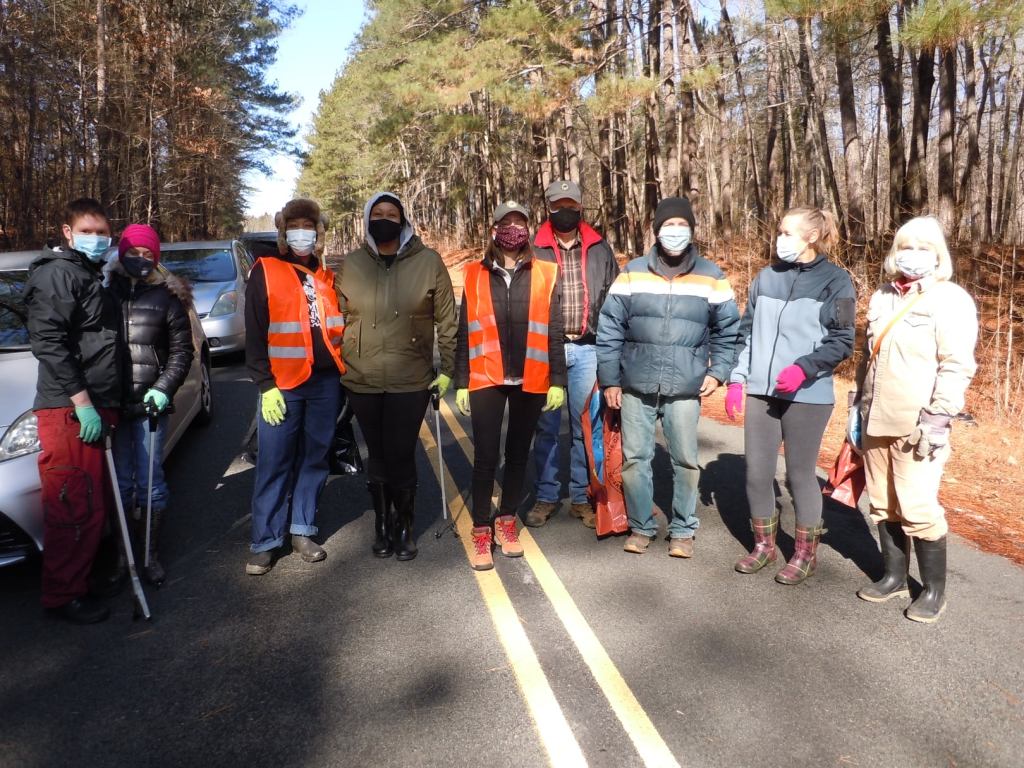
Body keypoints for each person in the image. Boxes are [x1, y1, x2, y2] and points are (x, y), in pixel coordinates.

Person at [597, 197, 740, 557]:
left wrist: (719, 371)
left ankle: (683, 529)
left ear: (692, 230)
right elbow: (610, 328)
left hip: (685, 386)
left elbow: (728, 330)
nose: (675, 232)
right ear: (656, 231)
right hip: (636, 384)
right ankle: (640, 526)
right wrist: (610, 379)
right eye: (668, 226)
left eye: (682, 225)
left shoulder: (711, 276)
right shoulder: (632, 273)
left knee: (686, 461)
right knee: (635, 460)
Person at [851, 216, 977, 623]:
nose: (914, 255)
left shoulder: (951, 300)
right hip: (874, 418)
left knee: (918, 507)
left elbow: (957, 365)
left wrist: (939, 417)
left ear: (938, 254)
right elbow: (866, 359)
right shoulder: (882, 296)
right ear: (895, 252)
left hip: (918, 424)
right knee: (883, 503)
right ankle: (894, 577)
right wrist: (855, 406)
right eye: (907, 246)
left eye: (924, 247)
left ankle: (934, 591)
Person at [726, 207, 856, 584]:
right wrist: (737, 380)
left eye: (787, 233)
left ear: (811, 237)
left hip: (808, 394)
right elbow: (746, 333)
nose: (779, 239)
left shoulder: (838, 281)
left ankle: (804, 553)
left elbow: (843, 340)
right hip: (762, 392)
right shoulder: (766, 278)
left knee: (800, 475)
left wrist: (803, 368)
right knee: (757, 473)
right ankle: (764, 546)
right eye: (779, 231)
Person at [338, 192, 457, 561]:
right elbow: (335, 320)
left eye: (392, 214)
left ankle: (404, 526)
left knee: (402, 452)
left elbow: (447, 320)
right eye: (378, 213)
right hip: (362, 377)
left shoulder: (428, 261)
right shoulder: (352, 264)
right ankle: (381, 524)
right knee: (377, 453)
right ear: (367, 219)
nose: (384, 219)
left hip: (411, 377)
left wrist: (448, 369)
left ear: (403, 221)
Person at [24, 198, 123, 623]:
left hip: (95, 404)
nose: (96, 239)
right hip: (68, 411)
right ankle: (63, 595)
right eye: (87, 232)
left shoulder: (87, 272)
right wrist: (82, 404)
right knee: (72, 506)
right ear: (67, 233)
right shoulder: (58, 274)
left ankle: (80, 580)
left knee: (90, 504)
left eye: (102, 233)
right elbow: (48, 343)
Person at [453, 201, 566, 571]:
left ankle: (506, 522)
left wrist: (558, 380)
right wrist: (462, 380)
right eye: (506, 223)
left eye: (520, 223)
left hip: (530, 377)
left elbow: (553, 330)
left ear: (528, 230)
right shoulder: (474, 273)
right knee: (486, 457)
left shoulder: (545, 272)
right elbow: (464, 331)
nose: (513, 229)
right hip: (486, 376)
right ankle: (481, 530)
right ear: (494, 230)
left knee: (518, 455)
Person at [244, 198, 345, 575]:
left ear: (318, 232)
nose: (302, 233)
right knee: (274, 461)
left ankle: (303, 528)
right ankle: (266, 540)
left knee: (314, 458)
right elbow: (255, 334)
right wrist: (264, 384)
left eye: (309, 226)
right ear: (283, 232)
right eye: (294, 226)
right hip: (282, 385)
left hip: (325, 383)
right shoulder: (266, 270)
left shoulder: (326, 275)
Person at [527, 179, 619, 529]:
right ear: (548, 207)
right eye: (557, 204)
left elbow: (615, 301)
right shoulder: (533, 248)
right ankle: (547, 495)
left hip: (587, 347)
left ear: (580, 207)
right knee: (546, 426)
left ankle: (582, 497)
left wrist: (614, 350)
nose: (564, 210)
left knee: (586, 427)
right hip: (545, 349)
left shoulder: (599, 248)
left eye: (571, 204)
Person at [105, 224, 194, 586]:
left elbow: (182, 352)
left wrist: (163, 388)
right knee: (121, 484)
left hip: (150, 407)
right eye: (133, 253)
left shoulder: (168, 298)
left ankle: (149, 555)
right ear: (121, 254)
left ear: (156, 258)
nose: (140, 260)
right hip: (113, 404)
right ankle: (123, 557)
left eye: (147, 254)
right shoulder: (105, 293)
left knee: (150, 483)